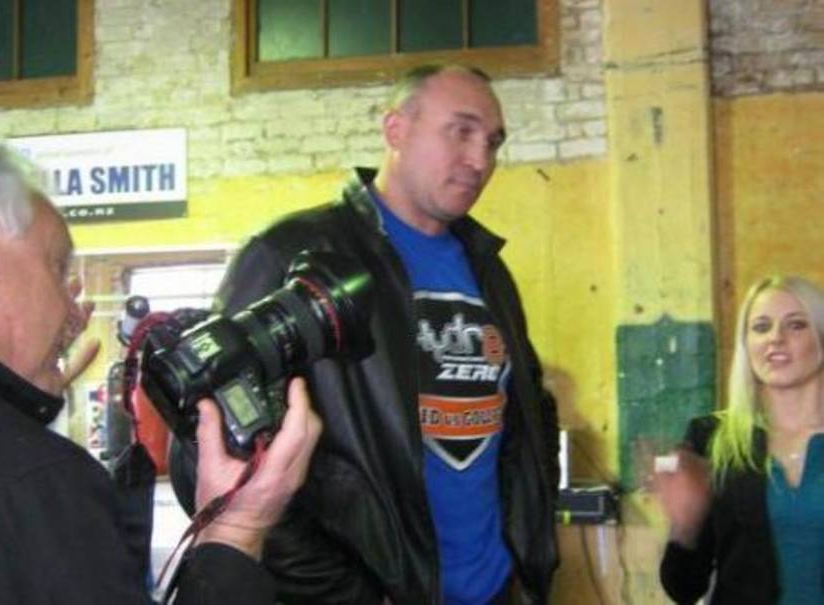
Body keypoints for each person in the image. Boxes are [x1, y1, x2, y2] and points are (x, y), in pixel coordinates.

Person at [173, 63, 560, 604]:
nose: (480, 160)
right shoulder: (290, 254)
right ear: (395, 129)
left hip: (495, 589)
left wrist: (525, 551)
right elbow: (209, 454)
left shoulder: (488, 268)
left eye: (493, 142)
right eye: (461, 132)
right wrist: (346, 594)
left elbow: (528, 411)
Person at [0, 140, 322, 604]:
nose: (74, 313)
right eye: (58, 268)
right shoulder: (37, 484)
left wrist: (20, 415)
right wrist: (236, 532)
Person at [656, 275, 824, 604]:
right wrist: (685, 525)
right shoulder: (710, 438)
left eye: (796, 325)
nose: (776, 338)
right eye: (761, 327)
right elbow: (683, 588)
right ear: (746, 344)